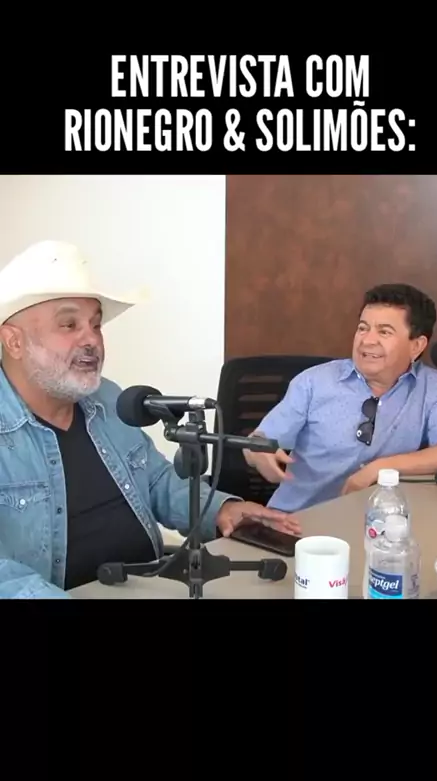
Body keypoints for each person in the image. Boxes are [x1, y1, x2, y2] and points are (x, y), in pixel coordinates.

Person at [0, 240, 301, 599]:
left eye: (95, 325)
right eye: (69, 325)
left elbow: (158, 482)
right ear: (14, 342)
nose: (91, 340)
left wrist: (223, 509)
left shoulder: (107, 398)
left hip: (154, 586)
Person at [244, 283, 437, 512]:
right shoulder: (314, 382)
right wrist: (258, 451)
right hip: (296, 522)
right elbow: (256, 443)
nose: (367, 340)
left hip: (376, 524)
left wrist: (381, 468)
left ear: (416, 346)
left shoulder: (434, 388)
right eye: (363, 328)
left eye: (384, 332)